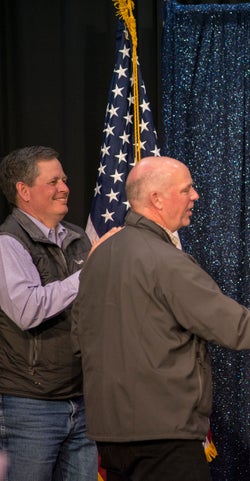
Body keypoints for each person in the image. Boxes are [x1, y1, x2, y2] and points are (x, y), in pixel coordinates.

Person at [71, 156, 250, 481]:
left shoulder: (97, 258)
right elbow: (236, 328)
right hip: (163, 438)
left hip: (110, 438)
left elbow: (78, 339)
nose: (195, 196)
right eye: (186, 189)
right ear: (156, 199)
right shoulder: (166, 261)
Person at [0, 146, 104, 480]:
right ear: (23, 191)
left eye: (65, 179)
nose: (65, 187)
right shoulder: (7, 244)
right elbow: (28, 310)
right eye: (53, 181)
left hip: (83, 399)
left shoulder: (77, 238)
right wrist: (90, 272)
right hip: (29, 407)